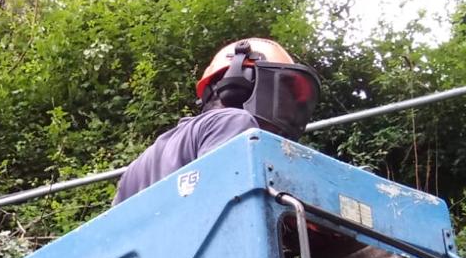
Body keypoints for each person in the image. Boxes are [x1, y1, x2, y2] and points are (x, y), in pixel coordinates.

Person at [113, 38, 321, 205]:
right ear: (238, 82)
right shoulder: (232, 121)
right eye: (281, 94)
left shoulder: (135, 169)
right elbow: (228, 206)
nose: (285, 110)